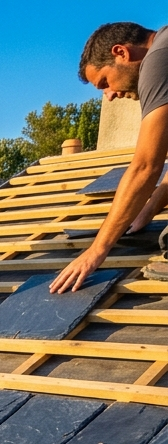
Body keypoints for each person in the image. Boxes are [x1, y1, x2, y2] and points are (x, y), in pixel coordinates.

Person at [52, 22, 168, 293]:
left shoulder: (158, 60)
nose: (111, 95)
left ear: (121, 53)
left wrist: (96, 252)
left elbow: (145, 167)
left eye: (105, 82)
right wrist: (147, 210)